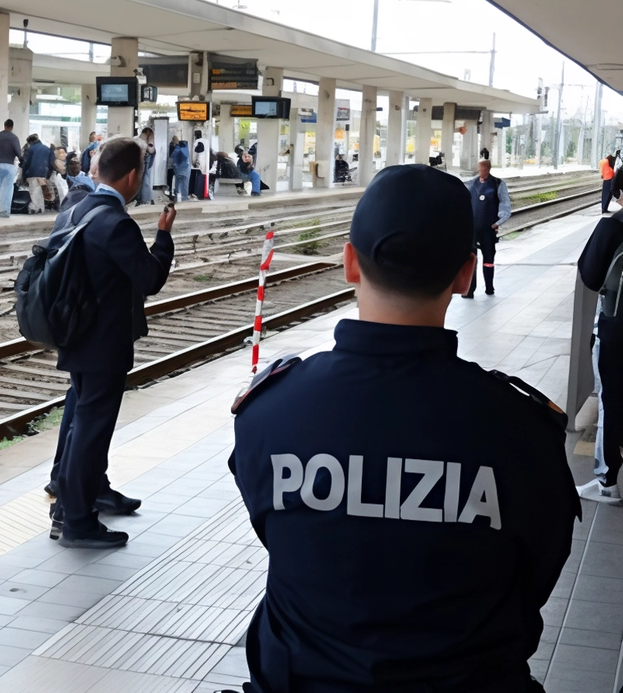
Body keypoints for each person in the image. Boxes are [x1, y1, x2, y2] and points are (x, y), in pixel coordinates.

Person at [230, 163, 578, 692]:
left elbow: (278, 533)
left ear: (349, 262)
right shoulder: (521, 430)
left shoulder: (270, 410)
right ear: (465, 274)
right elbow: (537, 573)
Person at [48, 137, 175, 547]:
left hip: (74, 335)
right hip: (103, 343)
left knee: (80, 422)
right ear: (134, 176)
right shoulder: (116, 223)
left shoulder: (76, 210)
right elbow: (150, 278)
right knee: (91, 428)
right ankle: (77, 521)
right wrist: (163, 236)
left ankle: (80, 499)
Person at [576, 208, 623, 504]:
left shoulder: (613, 226)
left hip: (616, 328)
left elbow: (590, 274)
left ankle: (607, 482)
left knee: (611, 399)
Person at [463, 159, 511, 298]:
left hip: (488, 229)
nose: (481, 171)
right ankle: (469, 290)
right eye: (479, 168)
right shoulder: (472, 183)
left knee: (488, 259)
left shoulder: (498, 184)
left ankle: (489, 287)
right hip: (473, 229)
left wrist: (498, 222)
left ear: (489, 169)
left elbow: (504, 204)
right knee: (471, 260)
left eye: (483, 168)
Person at [0, 119, 22, 218]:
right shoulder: (14, 138)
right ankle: (4, 210)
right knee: (8, 188)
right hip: (8, 165)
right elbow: (18, 153)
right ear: (12, 127)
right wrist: (22, 161)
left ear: (4, 126)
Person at [21, 134, 55, 214]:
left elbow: (26, 162)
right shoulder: (47, 149)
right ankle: (40, 208)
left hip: (32, 173)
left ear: (30, 142)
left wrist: (24, 175)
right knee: (40, 191)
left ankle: (34, 208)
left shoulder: (30, 149)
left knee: (34, 191)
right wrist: (48, 175)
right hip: (43, 173)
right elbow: (51, 163)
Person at [134, 126, 156, 205]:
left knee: (141, 180)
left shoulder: (137, 140)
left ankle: (141, 198)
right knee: (145, 180)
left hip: (139, 162)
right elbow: (151, 150)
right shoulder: (146, 139)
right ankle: (145, 199)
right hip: (144, 161)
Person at [192, 130, 210, 200]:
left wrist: (193, 161)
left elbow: (195, 152)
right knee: (204, 178)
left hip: (200, 161)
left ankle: (198, 193)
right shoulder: (206, 141)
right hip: (206, 161)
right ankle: (203, 193)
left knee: (199, 178)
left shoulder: (197, 142)